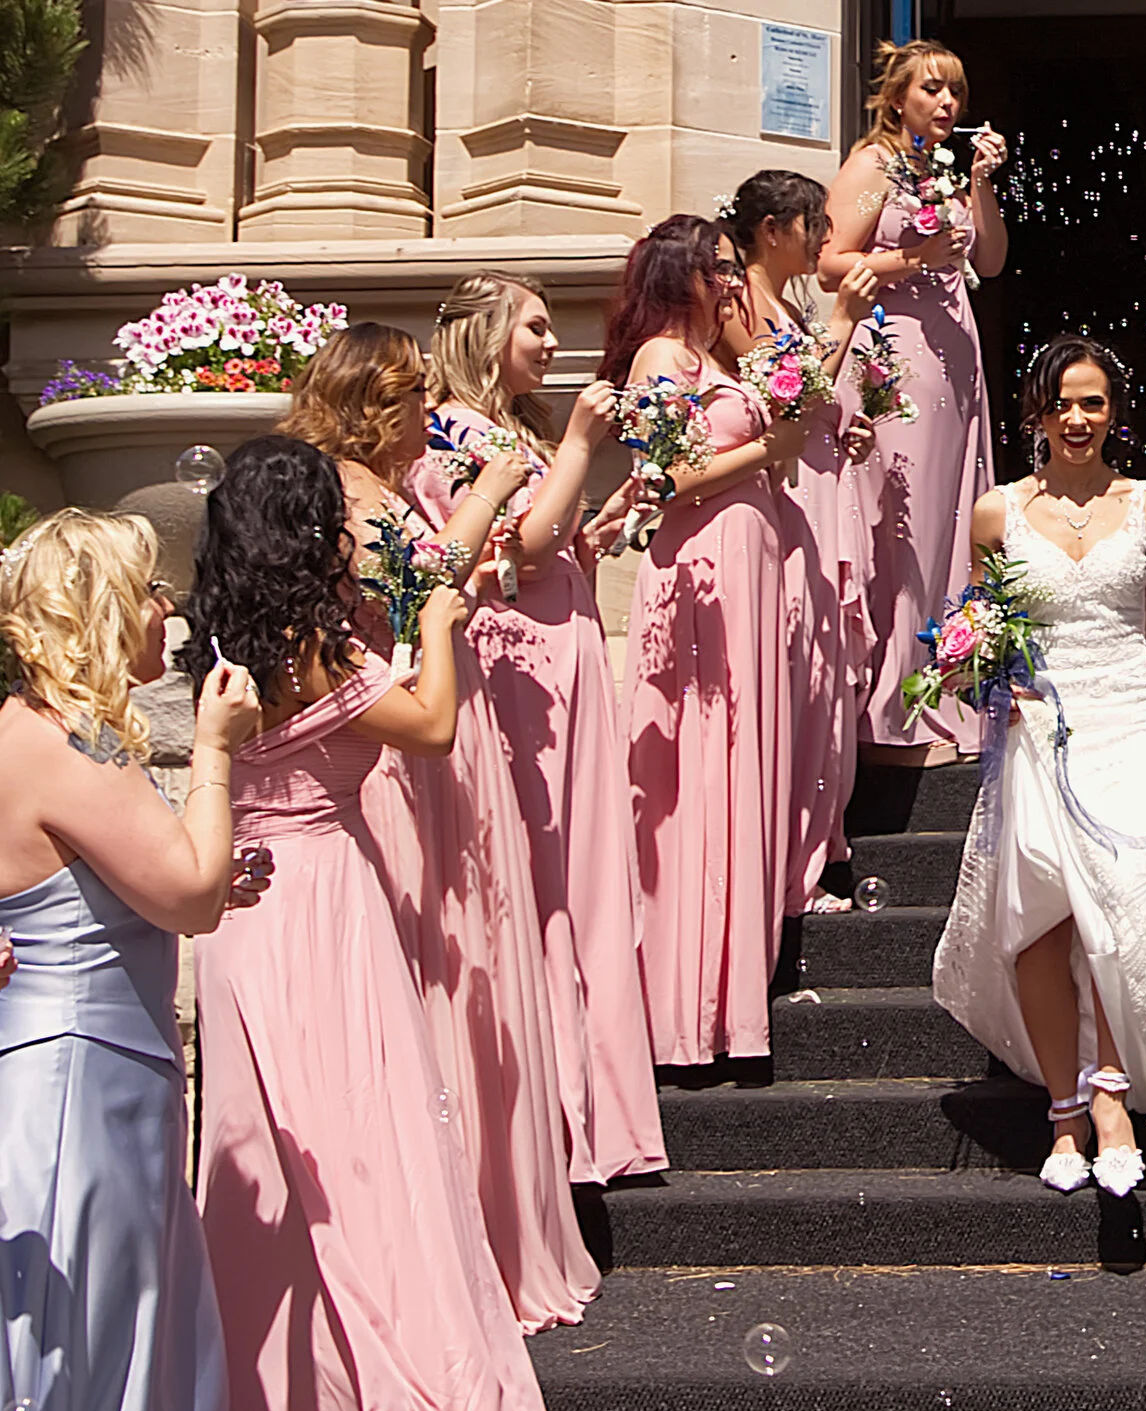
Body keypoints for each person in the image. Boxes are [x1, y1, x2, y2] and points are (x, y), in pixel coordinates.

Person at [182, 434, 596, 1411]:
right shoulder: (318, 643)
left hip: (241, 918)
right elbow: (428, 727)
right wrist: (436, 629)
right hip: (324, 906)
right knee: (368, 1158)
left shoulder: (217, 644)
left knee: (264, 1160)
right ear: (307, 532)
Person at [0, 511, 254, 1411]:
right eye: (150, 589)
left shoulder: (40, 740)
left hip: (92, 1093)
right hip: (74, 1118)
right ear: (103, 608)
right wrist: (212, 755)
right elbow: (195, 891)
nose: (168, 609)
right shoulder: (51, 748)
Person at [285, 323, 600, 1332]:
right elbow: (413, 588)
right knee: (433, 969)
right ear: (371, 400)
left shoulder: (384, 486)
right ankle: (442, 1238)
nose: (428, 408)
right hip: (397, 749)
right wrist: (495, 488)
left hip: (445, 738)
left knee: (471, 969)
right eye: (413, 393)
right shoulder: (338, 492)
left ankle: (484, 1229)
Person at [933, 337, 1146, 1193]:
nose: (1077, 418)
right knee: (1044, 916)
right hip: (1036, 723)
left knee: (1126, 892)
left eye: (1093, 402)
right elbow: (978, 630)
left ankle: (1113, 1097)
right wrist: (977, 668)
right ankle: (1066, 1111)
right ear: (1036, 412)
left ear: (1114, 413)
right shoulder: (997, 513)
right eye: (1062, 401)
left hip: (1129, 717)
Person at [420, 271, 670, 1187]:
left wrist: (596, 520)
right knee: (545, 871)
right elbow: (513, 545)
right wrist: (577, 444)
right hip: (517, 664)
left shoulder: (506, 432)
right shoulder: (448, 428)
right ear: (485, 334)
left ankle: (596, 1113)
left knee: (583, 872)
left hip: (559, 646)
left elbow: (548, 540)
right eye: (533, 326)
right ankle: (557, 1113)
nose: (550, 341)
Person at [601, 214, 811, 1070]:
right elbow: (667, 478)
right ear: (678, 273)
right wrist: (769, 444)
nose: (732, 280)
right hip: (704, 572)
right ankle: (686, 1007)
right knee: (701, 769)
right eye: (718, 267)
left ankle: (733, 992)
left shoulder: (720, 359)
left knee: (743, 765)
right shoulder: (661, 357)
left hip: (750, 563)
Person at [823, 40, 1009, 759]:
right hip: (896, 354)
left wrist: (981, 185)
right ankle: (888, 704)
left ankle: (942, 686)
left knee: (951, 523)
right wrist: (908, 260)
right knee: (905, 525)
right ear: (897, 98)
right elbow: (831, 261)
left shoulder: (944, 170)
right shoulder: (875, 164)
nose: (947, 104)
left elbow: (988, 259)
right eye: (932, 90)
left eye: (955, 93)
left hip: (954, 355)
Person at [720, 172, 883, 918]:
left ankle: (817, 849)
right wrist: (846, 324)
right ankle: (791, 867)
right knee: (801, 671)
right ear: (775, 228)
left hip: (823, 481)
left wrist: (847, 422)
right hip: (789, 497)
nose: (826, 236)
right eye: (814, 222)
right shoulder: (741, 304)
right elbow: (779, 399)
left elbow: (813, 400)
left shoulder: (789, 304)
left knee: (827, 673)